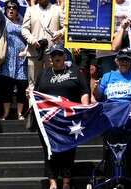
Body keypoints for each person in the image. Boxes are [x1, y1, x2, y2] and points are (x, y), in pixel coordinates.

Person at [34, 45, 90, 189]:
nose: (56, 57)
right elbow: (36, 95)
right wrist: (30, 95)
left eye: (59, 54)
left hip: (69, 120)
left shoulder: (75, 72)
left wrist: (85, 109)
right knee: (49, 150)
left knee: (68, 149)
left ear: (65, 56)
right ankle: (52, 181)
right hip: (48, 121)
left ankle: (66, 181)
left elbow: (84, 91)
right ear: (50, 58)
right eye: (53, 55)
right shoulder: (43, 74)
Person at [22, 0, 66, 89]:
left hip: (53, 53)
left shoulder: (58, 9)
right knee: (33, 84)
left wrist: (60, 33)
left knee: (52, 83)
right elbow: (24, 29)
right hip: (34, 52)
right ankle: (32, 105)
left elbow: (66, 27)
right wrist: (32, 40)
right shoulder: (30, 10)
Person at [0, 0, 28, 120]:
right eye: (8, 7)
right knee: (7, 86)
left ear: (17, 10)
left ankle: (19, 113)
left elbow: (29, 37)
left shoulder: (24, 22)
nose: (11, 9)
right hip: (8, 57)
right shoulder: (3, 21)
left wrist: (26, 50)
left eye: (14, 7)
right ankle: (6, 113)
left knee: (21, 85)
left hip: (21, 57)